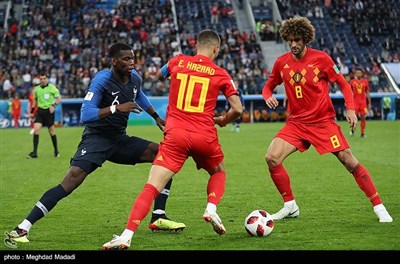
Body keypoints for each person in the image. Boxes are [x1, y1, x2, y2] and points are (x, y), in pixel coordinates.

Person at [5, 43, 185, 246]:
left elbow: (139, 94)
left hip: (119, 139)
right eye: (126, 59)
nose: (131, 62)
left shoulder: (135, 77)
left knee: (163, 154)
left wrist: (156, 117)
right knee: (70, 181)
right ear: (114, 61)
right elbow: (86, 114)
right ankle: (22, 228)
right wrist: (117, 108)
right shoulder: (102, 80)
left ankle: (158, 217)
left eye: (133, 58)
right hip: (96, 139)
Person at [101, 29, 243, 250]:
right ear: (216, 48)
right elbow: (238, 108)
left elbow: (159, 75)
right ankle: (211, 209)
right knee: (218, 172)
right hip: (204, 135)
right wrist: (224, 120)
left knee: (152, 186)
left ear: (196, 46)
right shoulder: (220, 73)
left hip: (175, 134)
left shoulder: (178, 61)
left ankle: (126, 235)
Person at [261, 17, 392, 224]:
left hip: (323, 123)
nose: (293, 44)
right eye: (290, 40)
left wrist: (350, 109)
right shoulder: (281, 63)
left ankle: (379, 207)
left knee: (349, 161)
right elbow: (268, 86)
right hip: (296, 124)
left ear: (306, 39)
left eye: (297, 40)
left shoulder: (322, 59)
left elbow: (344, 84)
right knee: (272, 157)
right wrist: (267, 95)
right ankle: (290, 206)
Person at [26, 73, 61, 158]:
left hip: (49, 112)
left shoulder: (52, 88)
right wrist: (31, 111)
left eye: (44, 78)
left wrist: (53, 105)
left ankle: (56, 151)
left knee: (51, 131)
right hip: (40, 112)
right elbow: (35, 102)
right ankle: (34, 153)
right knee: (36, 130)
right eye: (41, 79)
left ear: (46, 79)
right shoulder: (37, 89)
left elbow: (58, 98)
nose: (42, 80)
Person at [349, 68, 371, 137]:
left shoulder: (365, 82)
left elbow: (367, 93)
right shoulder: (352, 82)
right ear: (355, 74)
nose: (358, 74)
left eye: (360, 73)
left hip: (363, 102)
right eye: (357, 73)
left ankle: (362, 133)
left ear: (362, 74)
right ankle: (352, 130)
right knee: (353, 117)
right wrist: (347, 102)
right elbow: (349, 93)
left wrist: (369, 103)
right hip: (354, 102)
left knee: (363, 117)